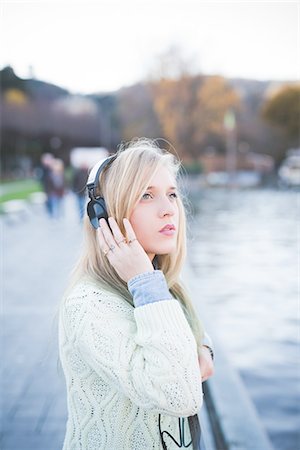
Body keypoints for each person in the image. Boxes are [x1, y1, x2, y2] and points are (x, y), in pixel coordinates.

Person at [58, 138, 214, 450]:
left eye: (171, 195)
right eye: (146, 195)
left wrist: (206, 351)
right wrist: (144, 280)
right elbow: (181, 397)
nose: (168, 210)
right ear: (105, 217)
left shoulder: (163, 286)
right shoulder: (89, 305)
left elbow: (195, 339)